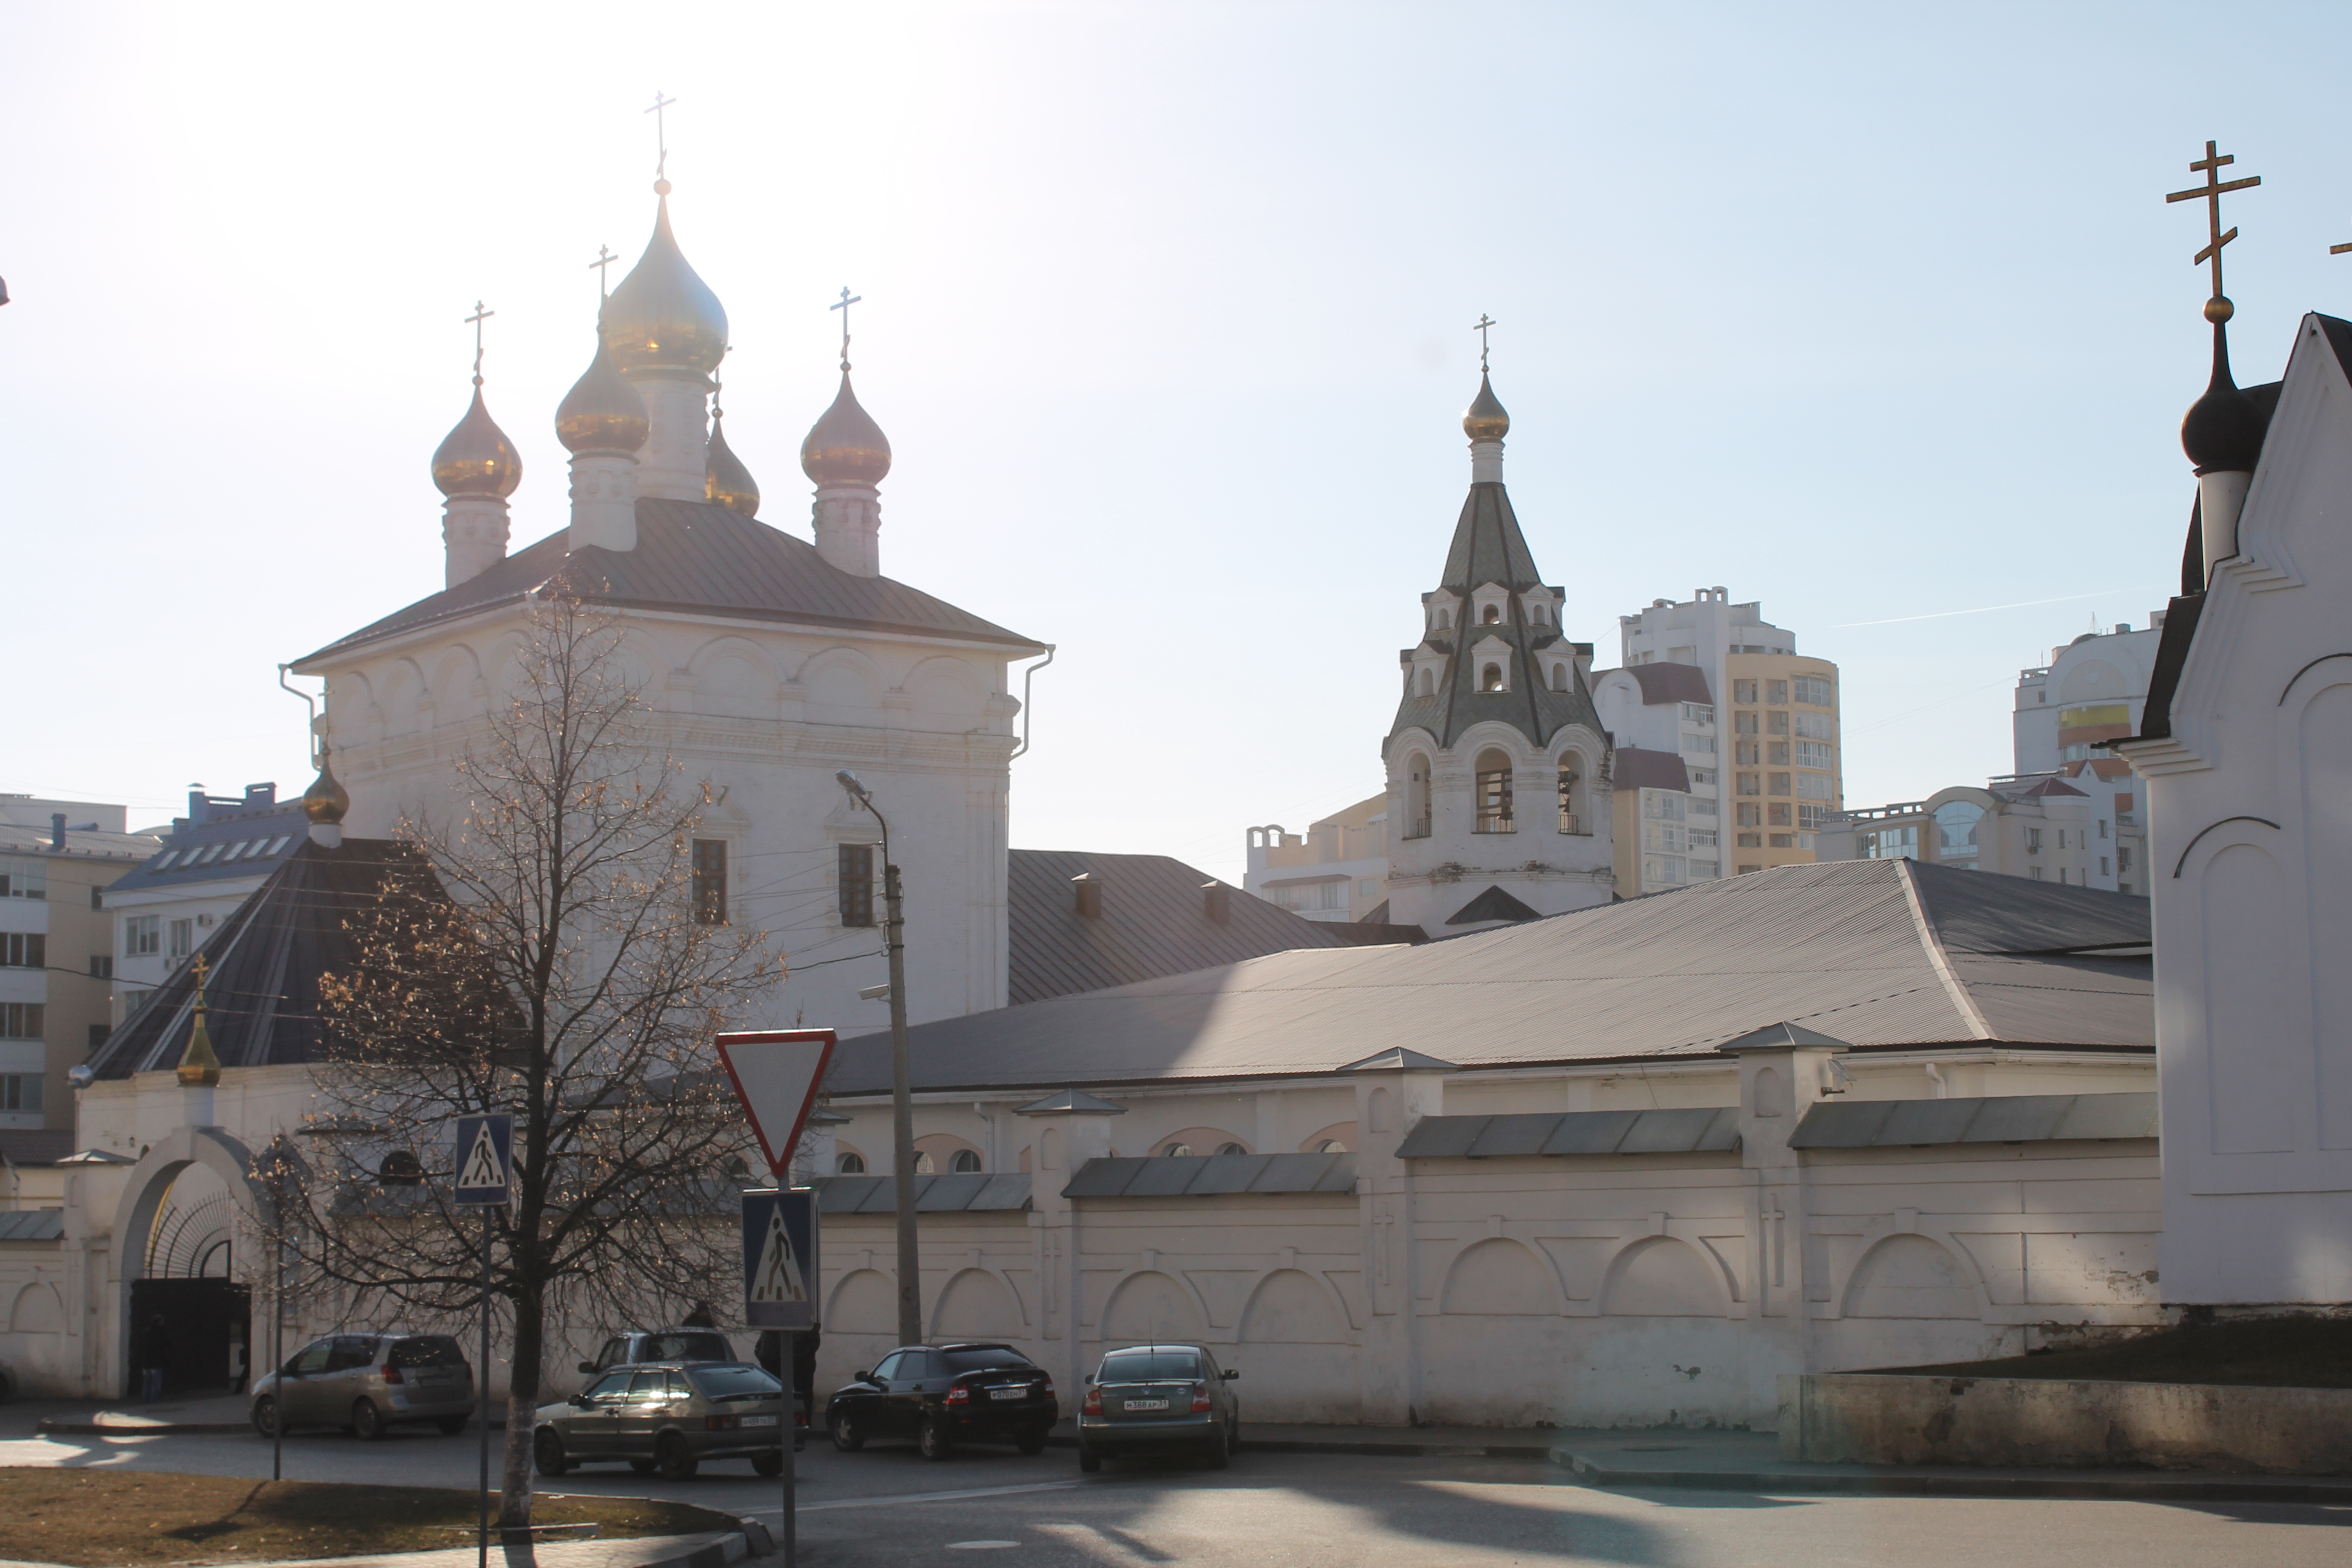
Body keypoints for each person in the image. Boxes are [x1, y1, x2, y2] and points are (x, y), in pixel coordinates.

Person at [137, 1314, 171, 1404]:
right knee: (155, 1384)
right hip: (157, 1361)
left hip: (146, 1361)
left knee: (147, 1383)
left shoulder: (146, 1332)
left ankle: (145, 1400)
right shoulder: (161, 1332)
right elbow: (167, 1344)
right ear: (160, 1322)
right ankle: (154, 1401)